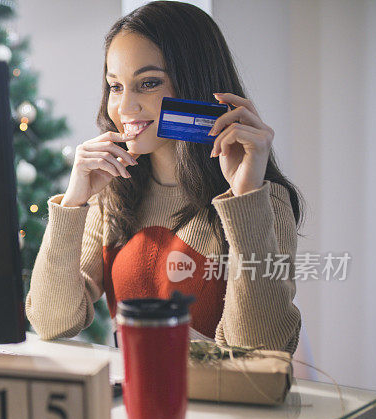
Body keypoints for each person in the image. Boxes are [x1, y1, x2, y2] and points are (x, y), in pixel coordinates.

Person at [25, 1, 303, 354]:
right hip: (131, 401)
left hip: (221, 406)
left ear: (194, 83)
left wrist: (245, 196)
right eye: (115, 87)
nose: (125, 108)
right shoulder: (113, 194)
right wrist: (74, 201)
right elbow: (51, 323)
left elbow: (259, 350)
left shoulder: (262, 199)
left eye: (149, 83)